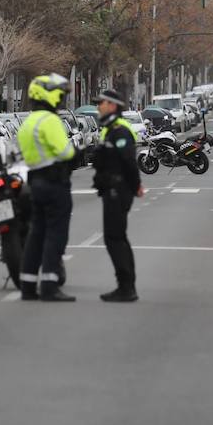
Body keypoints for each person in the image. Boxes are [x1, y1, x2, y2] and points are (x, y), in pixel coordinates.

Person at [16, 73, 77, 302]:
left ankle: (28, 285)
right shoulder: (50, 121)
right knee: (56, 235)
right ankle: (50, 285)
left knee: (36, 235)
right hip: (55, 183)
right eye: (60, 94)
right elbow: (66, 152)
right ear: (49, 95)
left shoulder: (29, 121)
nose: (62, 99)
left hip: (35, 182)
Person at [92, 87, 143, 302]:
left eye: (101, 103)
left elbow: (129, 162)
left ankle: (126, 286)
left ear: (112, 105)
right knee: (117, 237)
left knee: (114, 238)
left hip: (118, 189)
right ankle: (126, 284)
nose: (98, 107)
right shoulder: (110, 129)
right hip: (112, 189)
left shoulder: (120, 130)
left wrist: (136, 185)